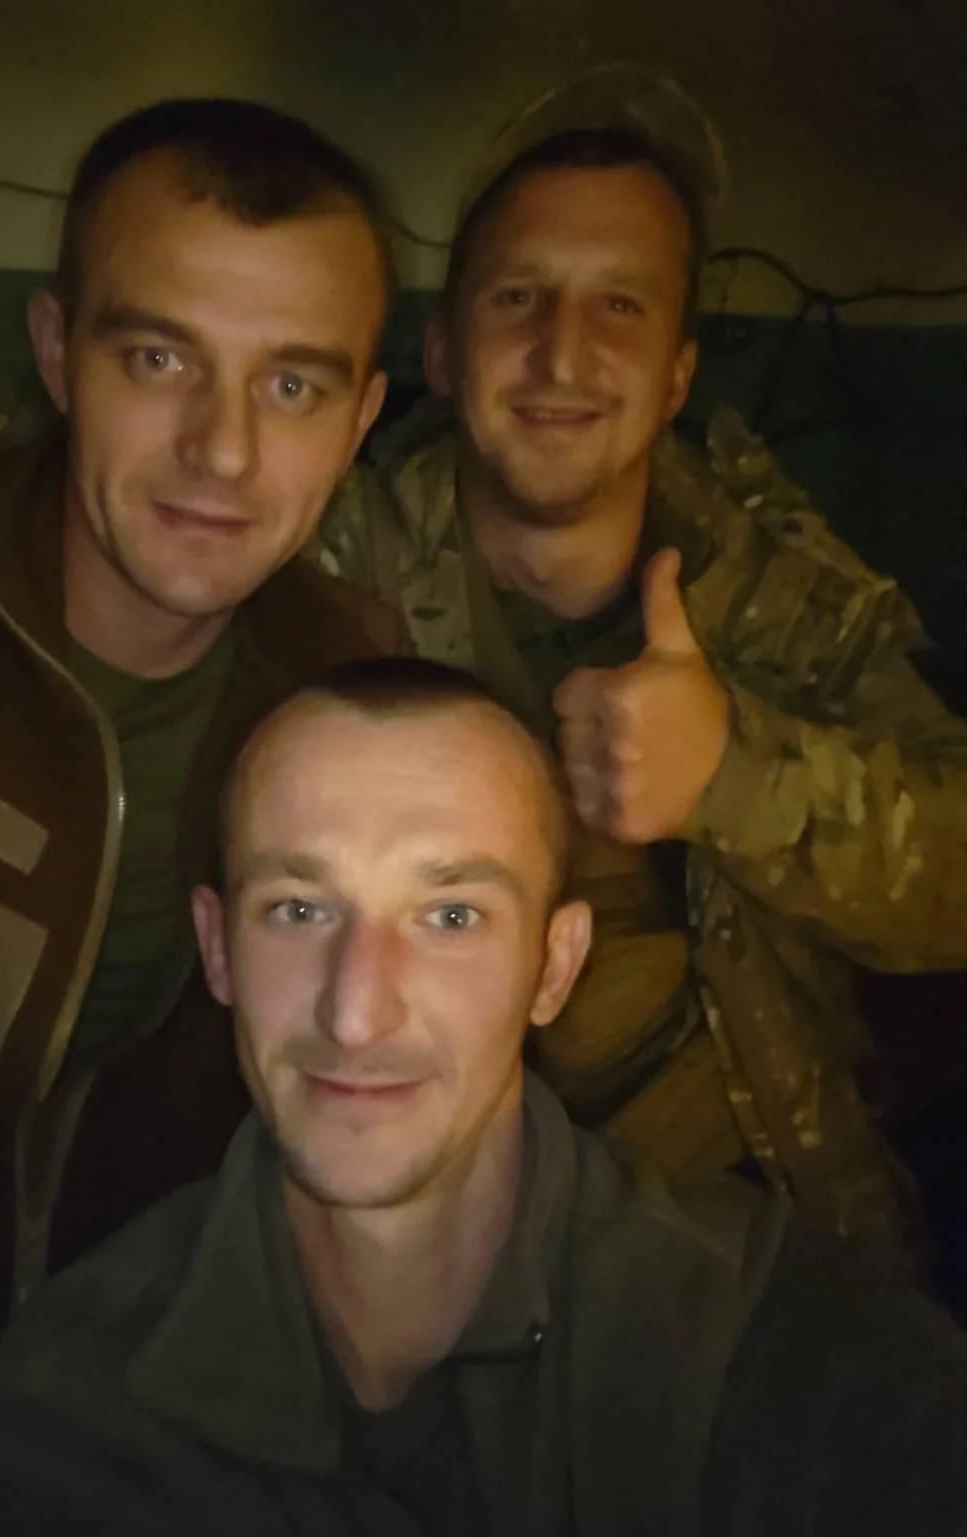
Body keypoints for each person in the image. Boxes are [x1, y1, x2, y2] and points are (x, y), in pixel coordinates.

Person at [0, 658, 967, 1537]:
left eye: (450, 918)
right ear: (216, 950)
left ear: (554, 967)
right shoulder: (67, 1422)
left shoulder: (795, 1361)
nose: (356, 1013)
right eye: (298, 909)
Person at [0, 97, 403, 1537]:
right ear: (56, 355)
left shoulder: (353, 696)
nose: (221, 451)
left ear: (361, 420)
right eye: (158, 358)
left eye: (291, 384)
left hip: (140, 1440)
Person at [314, 69, 967, 1256]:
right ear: (444, 349)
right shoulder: (325, 565)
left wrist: (731, 776)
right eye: (519, 297)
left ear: (675, 376)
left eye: (619, 305)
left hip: (770, 1231)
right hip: (422, 1244)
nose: (561, 356)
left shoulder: (771, 588)